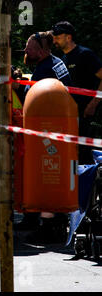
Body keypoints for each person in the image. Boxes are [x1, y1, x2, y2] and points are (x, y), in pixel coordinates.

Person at [17, 31, 72, 243]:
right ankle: (35, 219)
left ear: (41, 50)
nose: (25, 51)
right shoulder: (53, 63)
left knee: (47, 175)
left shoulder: (47, 68)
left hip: (48, 130)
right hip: (50, 128)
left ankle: (49, 226)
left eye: (29, 48)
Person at [52, 21, 102, 165]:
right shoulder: (63, 59)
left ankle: (90, 185)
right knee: (74, 152)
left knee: (85, 153)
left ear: (69, 37)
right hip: (71, 115)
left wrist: (93, 104)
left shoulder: (85, 54)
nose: (55, 40)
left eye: (58, 36)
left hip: (87, 113)